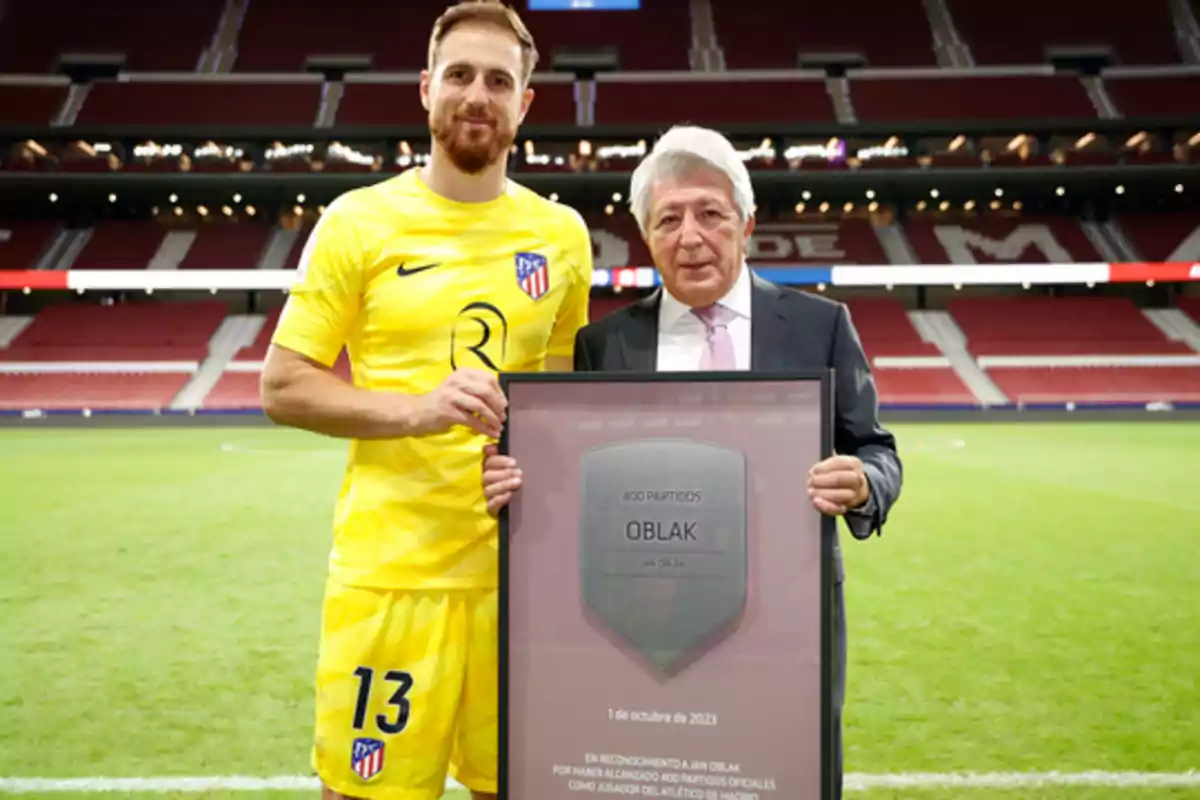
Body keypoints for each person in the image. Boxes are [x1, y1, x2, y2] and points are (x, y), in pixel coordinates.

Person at [481, 125, 902, 799]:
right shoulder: (605, 343)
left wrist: (863, 484)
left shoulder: (820, 325)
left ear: (747, 223)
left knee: (786, 773)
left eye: (710, 213)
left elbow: (877, 450)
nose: (691, 235)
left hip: (788, 620)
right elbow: (580, 481)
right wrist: (519, 482)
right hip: (642, 621)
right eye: (668, 219)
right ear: (647, 235)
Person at [259, 2, 593, 798]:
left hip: (516, 580)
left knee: (515, 787)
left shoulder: (562, 237)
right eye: (461, 75)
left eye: (499, 80)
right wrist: (419, 408)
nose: (478, 94)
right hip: (389, 578)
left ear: (524, 104)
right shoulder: (358, 223)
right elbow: (282, 383)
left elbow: (562, 401)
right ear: (425, 89)